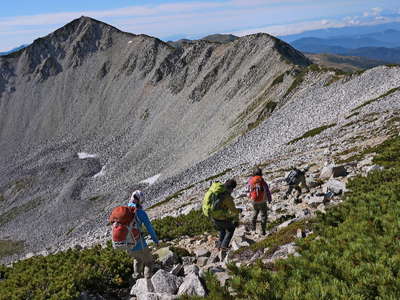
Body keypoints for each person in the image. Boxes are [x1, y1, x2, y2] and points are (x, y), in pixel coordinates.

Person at [203, 179, 241, 261]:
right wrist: (239, 211)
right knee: (231, 229)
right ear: (231, 188)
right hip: (220, 217)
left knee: (222, 230)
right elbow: (233, 210)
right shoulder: (227, 196)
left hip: (212, 217)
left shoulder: (215, 190)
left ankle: (218, 247)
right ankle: (224, 248)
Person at [127, 190, 159, 279]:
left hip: (127, 244)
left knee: (137, 259)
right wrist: (156, 240)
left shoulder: (125, 210)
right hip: (139, 243)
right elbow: (149, 228)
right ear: (140, 201)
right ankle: (148, 283)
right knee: (149, 262)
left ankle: (137, 281)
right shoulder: (140, 212)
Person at [247, 167, 272, 235]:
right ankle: (262, 231)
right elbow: (267, 191)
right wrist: (269, 199)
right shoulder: (262, 181)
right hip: (262, 201)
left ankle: (253, 228)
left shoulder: (251, 181)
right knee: (263, 215)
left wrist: (250, 197)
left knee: (255, 212)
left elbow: (248, 189)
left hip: (254, 200)